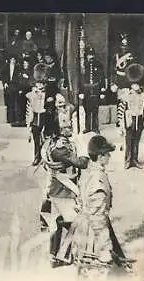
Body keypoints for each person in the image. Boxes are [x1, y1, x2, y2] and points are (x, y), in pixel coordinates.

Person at [70, 135, 134, 274]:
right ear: (100, 156)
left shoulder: (88, 172)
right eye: (107, 154)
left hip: (84, 230)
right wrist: (106, 248)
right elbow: (98, 220)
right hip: (93, 237)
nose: (109, 156)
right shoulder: (98, 180)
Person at [40, 94, 89, 267]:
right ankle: (64, 255)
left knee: (57, 223)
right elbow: (82, 163)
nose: (68, 125)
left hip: (54, 187)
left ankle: (55, 255)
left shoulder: (51, 143)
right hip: (64, 189)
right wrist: (82, 144)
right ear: (57, 127)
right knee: (73, 222)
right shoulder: (61, 148)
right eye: (64, 123)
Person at [117, 63, 144, 170]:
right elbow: (121, 110)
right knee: (129, 140)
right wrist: (121, 124)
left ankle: (135, 159)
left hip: (139, 119)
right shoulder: (126, 96)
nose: (136, 86)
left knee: (136, 140)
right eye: (134, 84)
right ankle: (128, 160)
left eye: (137, 84)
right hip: (129, 120)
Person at [26, 63, 56, 166]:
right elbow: (29, 109)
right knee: (36, 139)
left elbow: (52, 109)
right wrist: (29, 124)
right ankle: (37, 156)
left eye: (42, 83)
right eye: (38, 83)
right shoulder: (32, 94)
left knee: (47, 139)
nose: (40, 86)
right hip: (35, 118)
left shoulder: (50, 93)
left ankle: (46, 157)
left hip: (46, 118)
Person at [79, 47, 106, 134]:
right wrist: (81, 92)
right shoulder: (82, 66)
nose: (91, 57)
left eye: (92, 55)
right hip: (86, 90)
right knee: (87, 110)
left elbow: (102, 78)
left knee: (95, 110)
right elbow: (80, 80)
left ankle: (95, 127)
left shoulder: (99, 65)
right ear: (86, 56)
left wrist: (102, 91)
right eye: (89, 55)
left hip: (96, 90)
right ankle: (87, 127)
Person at [110, 33, 138, 101]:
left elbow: (134, 72)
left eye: (125, 46)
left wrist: (134, 84)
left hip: (129, 84)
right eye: (122, 46)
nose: (124, 48)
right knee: (119, 104)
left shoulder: (131, 58)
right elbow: (112, 72)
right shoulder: (115, 57)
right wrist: (113, 83)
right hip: (118, 84)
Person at [12, 59, 33, 127]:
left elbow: (31, 82)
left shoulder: (30, 72)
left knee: (26, 106)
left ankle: (25, 120)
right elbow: (19, 81)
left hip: (27, 91)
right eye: (24, 64)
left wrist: (27, 77)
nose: (24, 65)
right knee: (20, 106)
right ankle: (20, 120)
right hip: (21, 91)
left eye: (26, 63)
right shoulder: (21, 72)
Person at [1, 55, 21, 124]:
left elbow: (19, 78)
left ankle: (15, 119)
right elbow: (2, 75)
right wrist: (5, 83)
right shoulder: (6, 67)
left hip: (15, 87)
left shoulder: (18, 68)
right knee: (9, 104)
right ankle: (9, 119)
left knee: (16, 103)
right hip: (8, 86)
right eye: (12, 60)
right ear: (9, 60)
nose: (13, 61)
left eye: (14, 60)